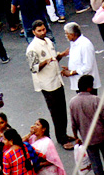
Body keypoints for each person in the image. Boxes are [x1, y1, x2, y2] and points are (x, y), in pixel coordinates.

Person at [26, 19, 76, 149]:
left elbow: (55, 57)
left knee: (62, 110)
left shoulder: (48, 41)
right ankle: (61, 139)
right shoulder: (32, 48)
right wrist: (45, 61)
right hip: (47, 84)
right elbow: (34, 68)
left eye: (43, 29)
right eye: (39, 31)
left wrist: (62, 55)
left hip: (56, 80)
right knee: (56, 113)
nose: (42, 32)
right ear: (33, 32)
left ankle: (63, 134)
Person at [69, 74, 104, 175]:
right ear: (89, 87)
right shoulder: (95, 99)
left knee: (95, 163)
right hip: (102, 135)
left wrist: (76, 137)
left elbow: (74, 123)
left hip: (87, 138)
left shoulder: (73, 102)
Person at [61, 22, 100, 91]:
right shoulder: (74, 43)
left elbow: (88, 67)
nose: (66, 35)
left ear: (72, 34)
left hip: (87, 85)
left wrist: (71, 72)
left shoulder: (85, 45)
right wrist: (70, 68)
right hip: (79, 84)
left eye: (66, 33)